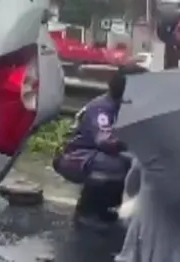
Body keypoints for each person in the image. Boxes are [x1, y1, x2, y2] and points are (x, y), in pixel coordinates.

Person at [52, 67, 133, 229]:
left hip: (91, 154)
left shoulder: (125, 107)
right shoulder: (102, 108)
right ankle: (86, 212)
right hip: (72, 155)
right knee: (116, 164)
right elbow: (105, 142)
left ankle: (105, 208)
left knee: (131, 163)